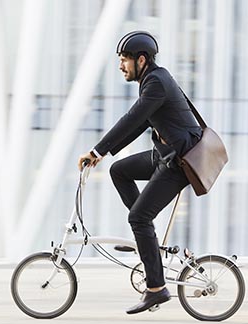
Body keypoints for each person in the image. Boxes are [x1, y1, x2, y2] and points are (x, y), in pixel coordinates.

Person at [78, 30, 202, 314]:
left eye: (124, 60)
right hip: (165, 155)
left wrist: (96, 150)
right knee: (119, 170)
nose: (121, 66)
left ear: (141, 60)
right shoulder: (152, 79)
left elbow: (131, 118)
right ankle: (147, 242)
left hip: (180, 162)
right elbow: (140, 124)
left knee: (138, 216)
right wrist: (103, 155)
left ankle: (156, 288)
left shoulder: (156, 83)